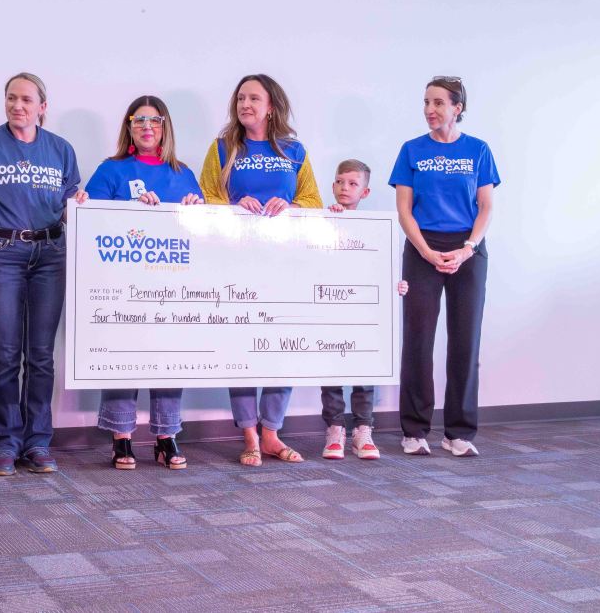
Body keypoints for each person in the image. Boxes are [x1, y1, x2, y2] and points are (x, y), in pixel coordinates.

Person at [0, 72, 86, 476]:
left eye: (27, 100)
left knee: (42, 354)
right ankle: (4, 441)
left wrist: (82, 207)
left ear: (42, 107)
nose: (18, 106)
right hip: (1, 254)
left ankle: (38, 441)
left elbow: (69, 208)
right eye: (11, 98)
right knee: (6, 352)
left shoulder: (61, 149)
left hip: (50, 255)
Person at [198, 73, 323, 467]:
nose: (245, 105)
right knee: (241, 347)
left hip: (286, 262)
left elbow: (313, 201)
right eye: (240, 98)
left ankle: (271, 432)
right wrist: (235, 207)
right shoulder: (223, 147)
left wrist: (292, 206)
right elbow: (204, 197)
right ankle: (249, 434)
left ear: (271, 106)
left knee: (282, 346)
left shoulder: (294, 150)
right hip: (236, 260)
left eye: (254, 98)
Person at [84, 95, 204, 470]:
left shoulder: (183, 173)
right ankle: (121, 437)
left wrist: (196, 211)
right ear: (129, 127)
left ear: (165, 127)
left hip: (173, 283)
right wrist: (131, 213)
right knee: (123, 356)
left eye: (155, 120)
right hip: (123, 282)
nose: (147, 126)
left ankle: (166, 436)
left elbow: (203, 235)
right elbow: (91, 221)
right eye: (139, 120)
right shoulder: (111, 170)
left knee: (168, 357)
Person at [389, 76, 500, 457]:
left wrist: (469, 248)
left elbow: (486, 207)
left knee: (465, 341)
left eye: (438, 102)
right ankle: (414, 430)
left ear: (458, 108)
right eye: (426, 102)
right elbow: (404, 210)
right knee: (418, 341)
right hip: (423, 248)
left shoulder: (478, 149)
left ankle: (459, 432)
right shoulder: (411, 150)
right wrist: (424, 251)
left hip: (468, 249)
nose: (429, 110)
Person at [321, 160, 408, 460]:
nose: (344, 188)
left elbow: (380, 267)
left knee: (365, 370)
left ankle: (362, 430)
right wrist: (330, 219)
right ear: (333, 185)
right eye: (340, 182)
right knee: (330, 370)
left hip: (363, 312)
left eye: (353, 183)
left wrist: (396, 284)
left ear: (365, 192)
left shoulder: (376, 229)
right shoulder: (320, 221)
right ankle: (334, 429)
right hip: (329, 309)